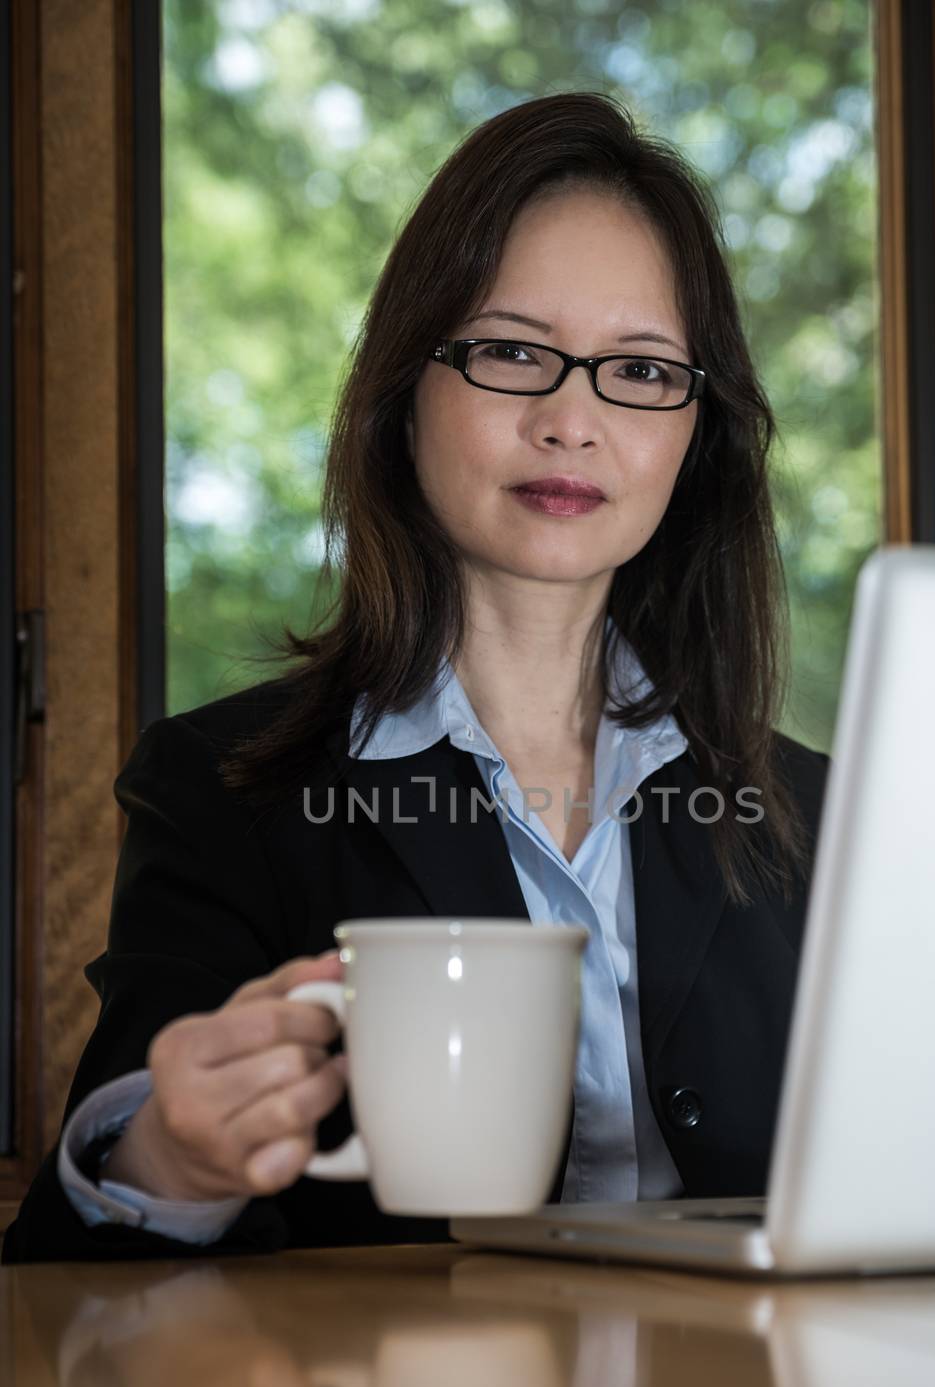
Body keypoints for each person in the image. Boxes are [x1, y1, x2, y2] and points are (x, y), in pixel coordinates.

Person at [3, 91, 829, 1265]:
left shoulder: (822, 820)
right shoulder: (222, 792)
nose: (570, 418)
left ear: (698, 433)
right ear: (406, 390)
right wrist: (168, 1162)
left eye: (640, 371)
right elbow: (67, 1288)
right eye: (509, 350)